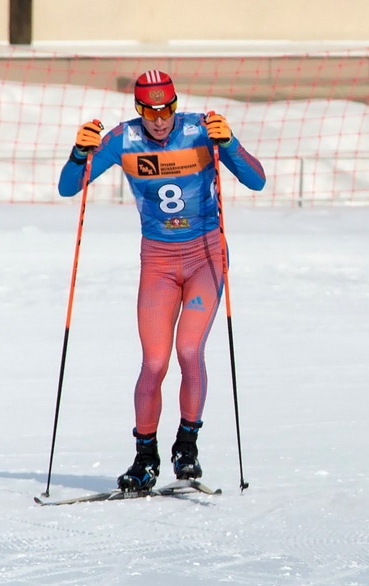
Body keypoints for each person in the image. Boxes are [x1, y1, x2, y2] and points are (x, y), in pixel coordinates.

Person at [58, 70, 266, 491]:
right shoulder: (122, 139)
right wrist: (79, 154)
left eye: (166, 109)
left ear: (175, 105)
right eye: (149, 111)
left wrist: (230, 143)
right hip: (158, 261)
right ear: (139, 109)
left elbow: (257, 179)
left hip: (205, 254)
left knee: (189, 350)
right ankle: (145, 457)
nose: (158, 119)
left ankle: (186, 446)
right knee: (154, 362)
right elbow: (68, 188)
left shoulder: (200, 131)